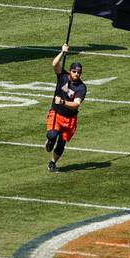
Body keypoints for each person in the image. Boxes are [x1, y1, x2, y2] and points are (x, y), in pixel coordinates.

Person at [45, 43, 84, 172]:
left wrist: (62, 101)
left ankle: (52, 163)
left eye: (78, 72)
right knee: (52, 135)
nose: (76, 74)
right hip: (57, 113)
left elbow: (76, 104)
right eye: (74, 71)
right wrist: (62, 52)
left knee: (62, 143)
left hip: (70, 118)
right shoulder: (62, 77)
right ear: (70, 71)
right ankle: (49, 141)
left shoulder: (81, 87)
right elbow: (54, 64)